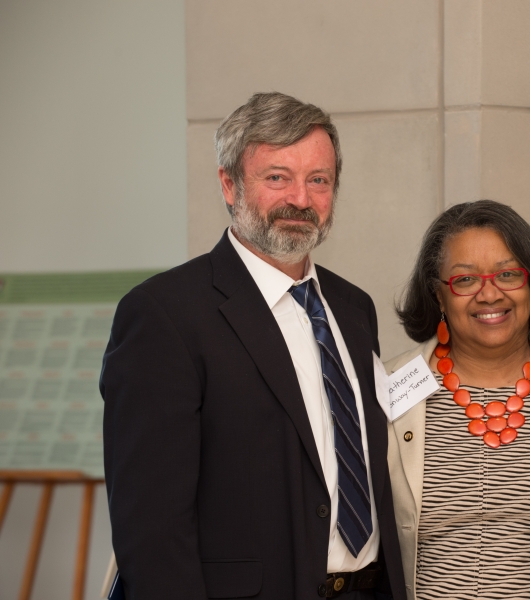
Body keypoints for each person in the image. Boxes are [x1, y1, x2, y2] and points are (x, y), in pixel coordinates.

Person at [101, 92, 404, 599]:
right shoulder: (164, 315)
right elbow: (151, 531)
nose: (301, 200)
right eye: (277, 178)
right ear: (229, 183)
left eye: (319, 180)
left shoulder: (353, 309)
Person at [386, 200, 530, 599]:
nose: (489, 294)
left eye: (508, 274)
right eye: (465, 280)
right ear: (438, 295)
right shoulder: (389, 388)